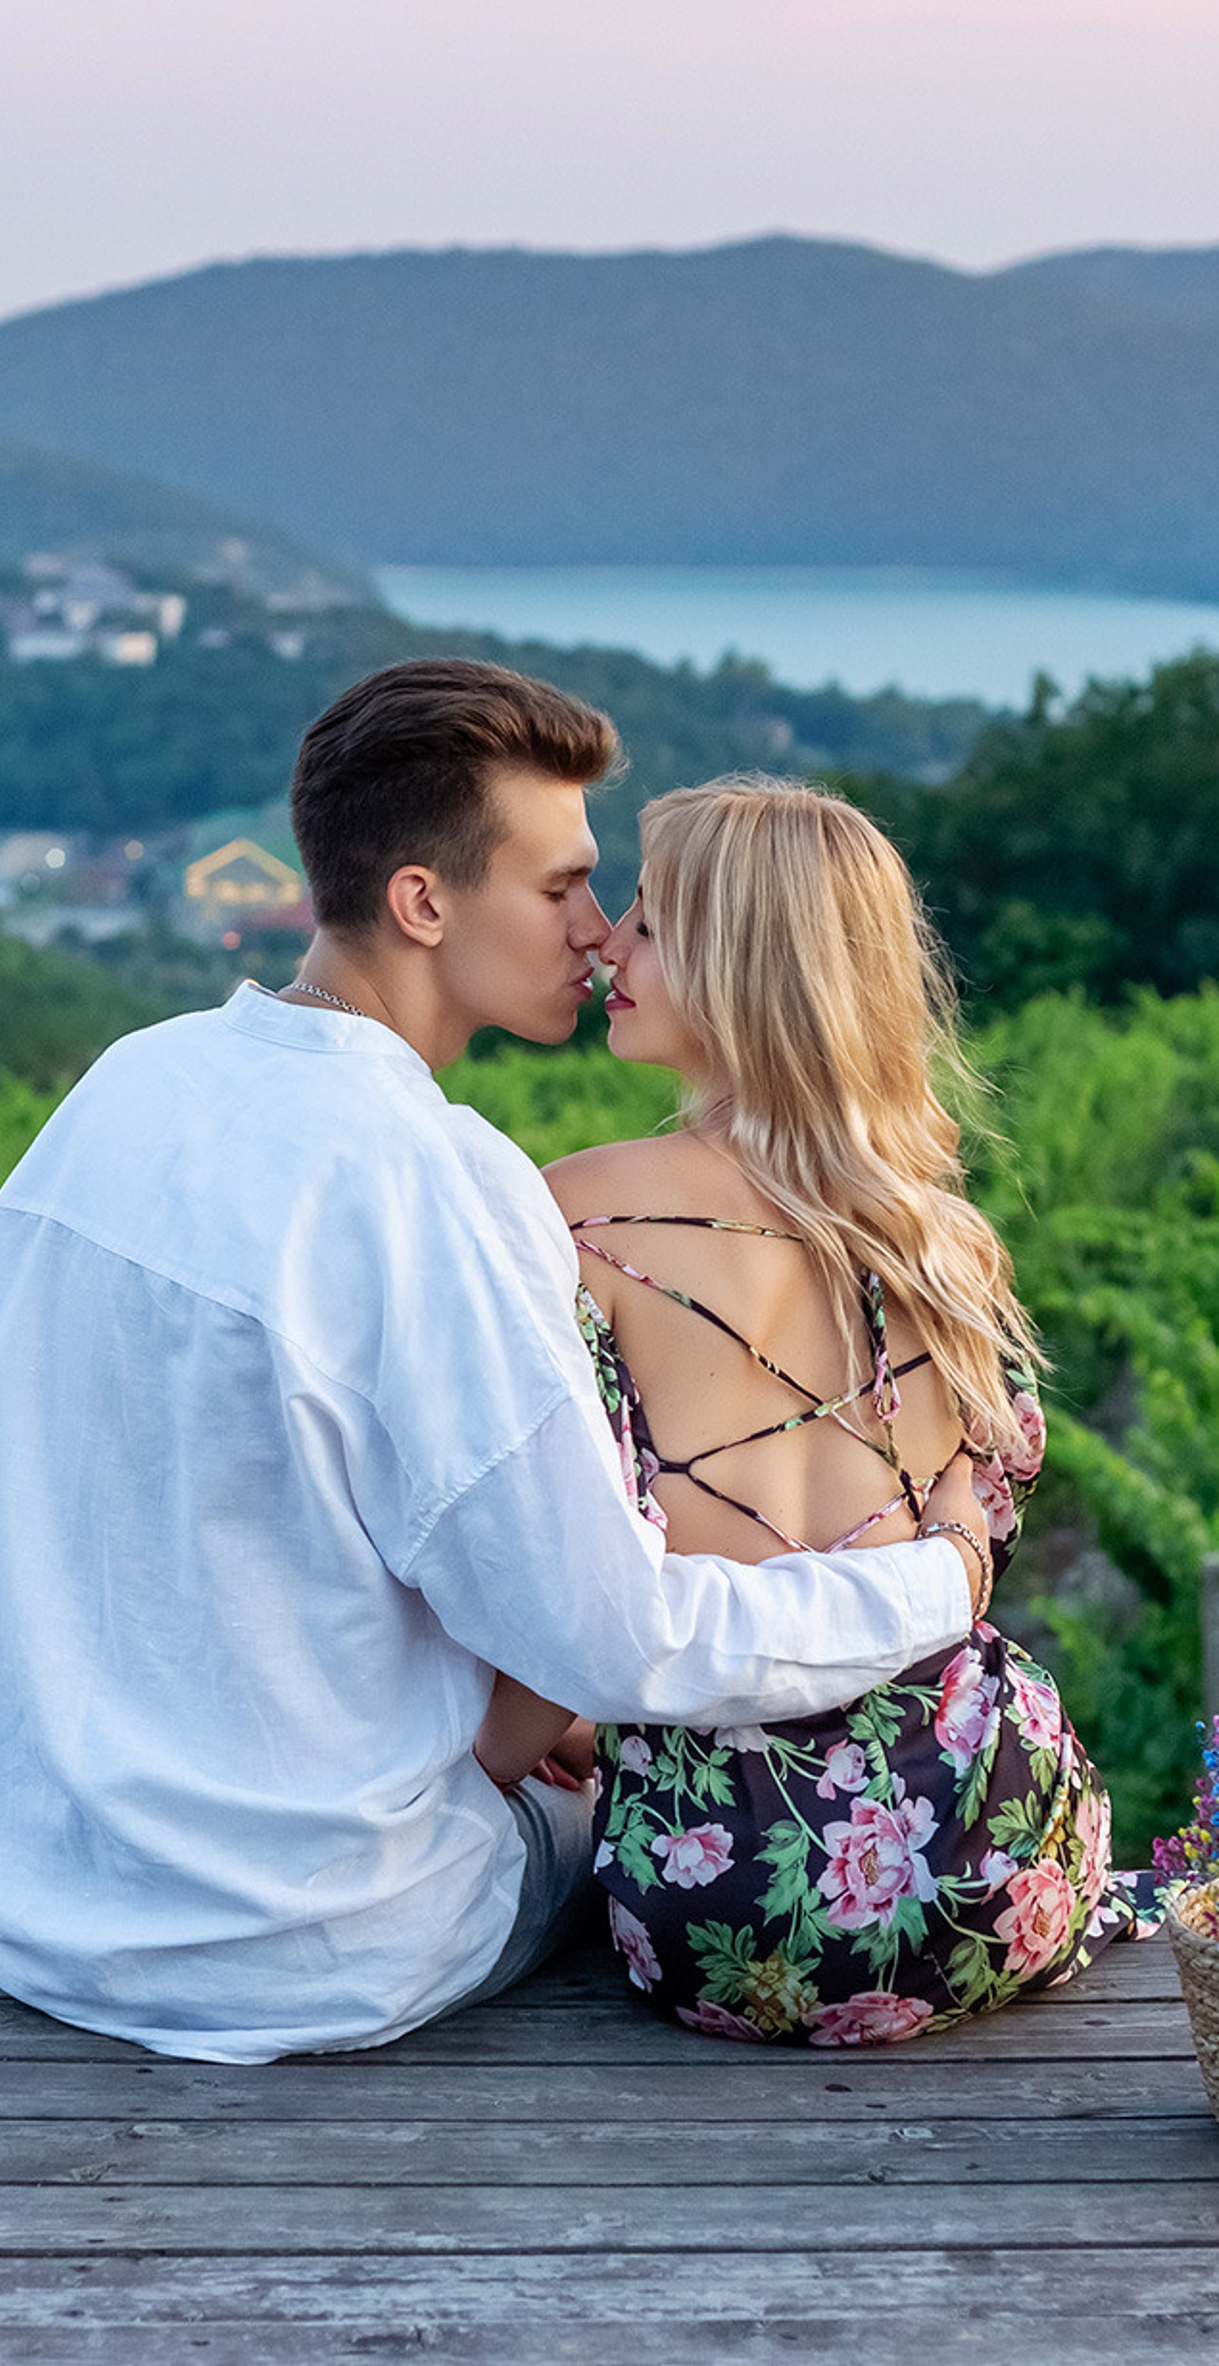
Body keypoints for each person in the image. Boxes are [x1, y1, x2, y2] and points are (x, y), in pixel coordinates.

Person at [0, 661, 999, 2064]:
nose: (598, 930)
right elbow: (617, 1638)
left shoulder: (121, 1090)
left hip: (36, 1902)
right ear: (425, 904)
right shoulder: (436, 1179)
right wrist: (935, 1579)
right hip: (310, 1945)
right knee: (663, 1816)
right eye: (560, 888)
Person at [475, 775, 1143, 2044]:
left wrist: (492, 1761)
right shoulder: (939, 1238)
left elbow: (556, 1565)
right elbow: (957, 1554)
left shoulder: (575, 1214)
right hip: (992, 1853)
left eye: (654, 924)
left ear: (746, 966)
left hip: (716, 1907)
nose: (609, 941)